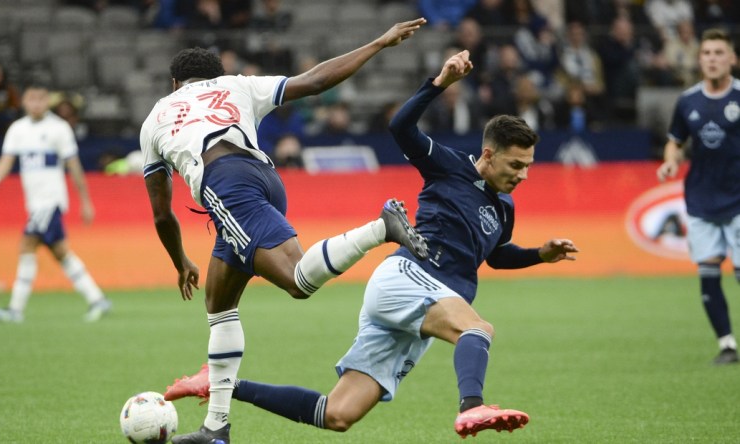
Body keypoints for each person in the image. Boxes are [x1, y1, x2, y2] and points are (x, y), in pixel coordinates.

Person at [164, 50, 579, 439]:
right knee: (478, 328)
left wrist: (539, 255)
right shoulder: (449, 165)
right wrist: (439, 83)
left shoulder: (504, 208)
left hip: (428, 303)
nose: (523, 175)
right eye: (515, 165)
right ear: (489, 154)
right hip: (408, 280)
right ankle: (473, 405)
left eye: (528, 166)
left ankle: (220, 384)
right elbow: (401, 127)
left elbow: (495, 256)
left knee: (337, 414)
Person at [140, 19, 429, 444]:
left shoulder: (155, 118)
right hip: (266, 180)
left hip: (225, 187)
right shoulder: (236, 86)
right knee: (219, 303)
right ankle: (215, 429)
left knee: (297, 281)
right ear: (215, 77)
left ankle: (380, 226)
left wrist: (180, 260)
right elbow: (315, 81)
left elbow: (162, 214)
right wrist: (379, 43)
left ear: (173, 82)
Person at [0, 84, 112, 323]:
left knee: (26, 245)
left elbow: (74, 166)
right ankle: (97, 299)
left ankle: (15, 309)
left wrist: (85, 201)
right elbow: (6, 160)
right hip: (34, 203)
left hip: (50, 201)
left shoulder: (58, 129)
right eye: (31, 99)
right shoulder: (18, 129)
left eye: (41, 99)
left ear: (47, 102)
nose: (36, 104)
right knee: (60, 252)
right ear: (24, 102)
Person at [656, 28, 740, 365]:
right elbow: (675, 139)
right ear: (699, 58)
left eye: (719, 53)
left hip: (738, 198)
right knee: (708, 273)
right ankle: (727, 345)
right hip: (702, 199)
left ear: (732, 59)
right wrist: (670, 161)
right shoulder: (688, 100)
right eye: (706, 53)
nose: (712, 59)